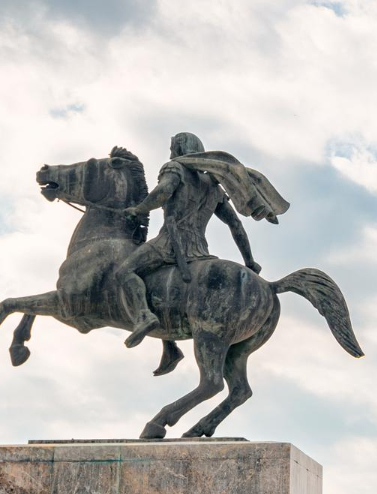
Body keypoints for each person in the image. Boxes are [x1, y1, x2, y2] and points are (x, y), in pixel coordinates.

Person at [117, 132, 276, 347]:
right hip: (200, 251)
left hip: (169, 245)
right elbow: (235, 225)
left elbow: (163, 192)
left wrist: (139, 208)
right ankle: (169, 347)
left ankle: (144, 315)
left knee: (124, 272)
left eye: (173, 148)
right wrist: (249, 260)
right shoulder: (213, 186)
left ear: (180, 148)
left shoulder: (175, 168)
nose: (172, 153)